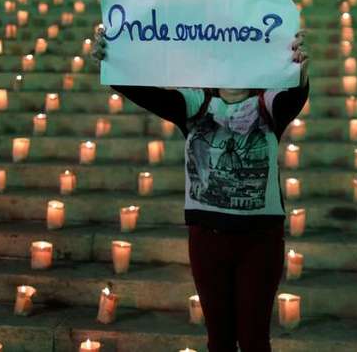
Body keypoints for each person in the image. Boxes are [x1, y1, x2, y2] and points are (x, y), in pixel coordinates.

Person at [91, 23, 309, 352]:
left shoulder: (268, 106)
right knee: (219, 340)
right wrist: (112, 58)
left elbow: (296, 93)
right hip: (208, 241)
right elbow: (145, 92)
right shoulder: (195, 105)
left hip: (260, 242)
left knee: (253, 340)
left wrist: (297, 66)